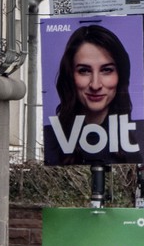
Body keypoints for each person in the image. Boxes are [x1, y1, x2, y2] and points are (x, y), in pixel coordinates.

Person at [45, 24, 137, 165]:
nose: (95, 85)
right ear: (70, 75)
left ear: (121, 76)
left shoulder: (136, 139)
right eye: (84, 71)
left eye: (106, 70)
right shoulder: (51, 139)